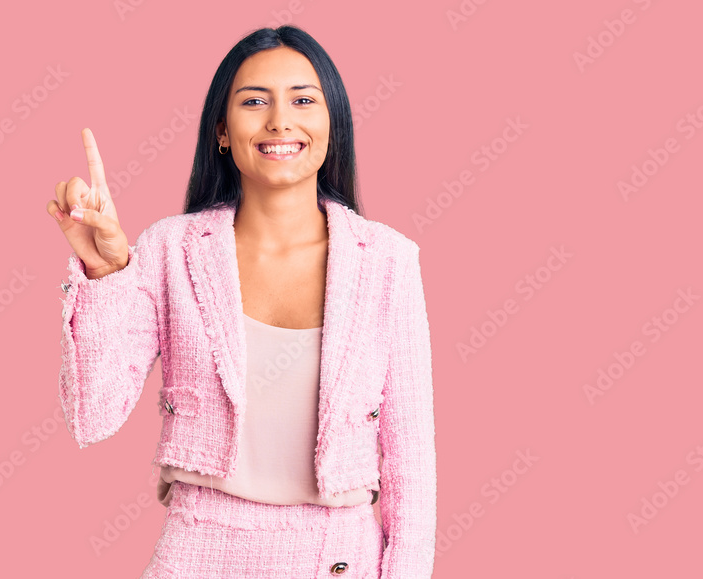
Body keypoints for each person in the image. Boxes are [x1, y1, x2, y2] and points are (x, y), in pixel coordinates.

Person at [45, 25, 436, 579]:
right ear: (222, 132)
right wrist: (106, 272)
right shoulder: (169, 250)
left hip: (339, 557)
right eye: (254, 101)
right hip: (198, 557)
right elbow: (93, 415)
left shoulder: (388, 261)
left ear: (333, 125)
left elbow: (410, 469)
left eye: (304, 99)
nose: (280, 120)